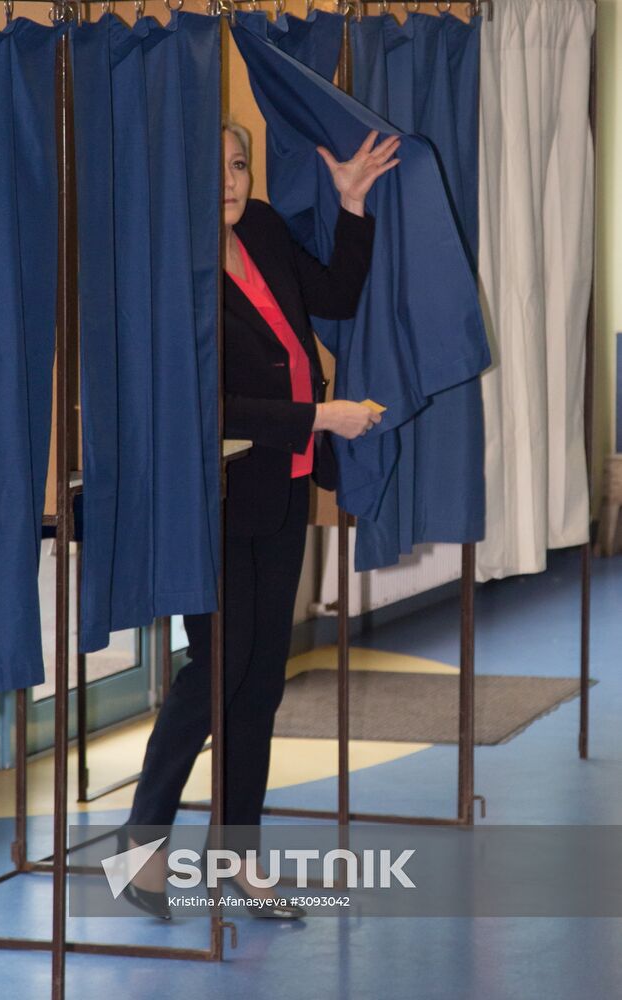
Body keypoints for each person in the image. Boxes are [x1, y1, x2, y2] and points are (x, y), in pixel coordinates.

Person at [120, 120, 401, 920]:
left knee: (258, 684)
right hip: (210, 498)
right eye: (216, 171)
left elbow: (337, 295)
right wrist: (320, 415)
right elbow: (204, 407)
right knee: (215, 672)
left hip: (279, 489)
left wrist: (351, 207)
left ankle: (239, 861)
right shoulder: (176, 270)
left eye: (239, 165)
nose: (232, 181)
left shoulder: (268, 230)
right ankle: (141, 855)